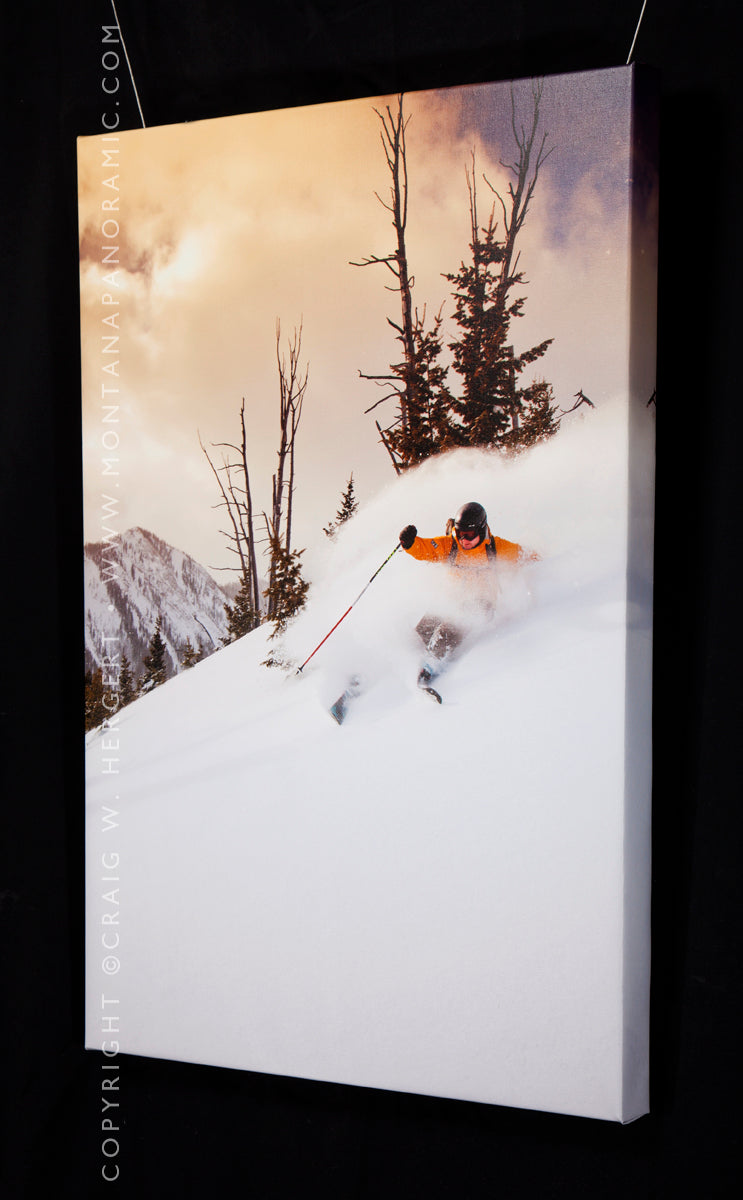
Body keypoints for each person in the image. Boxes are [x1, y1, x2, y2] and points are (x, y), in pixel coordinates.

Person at [398, 501, 537, 683]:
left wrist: (545, 565)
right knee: (424, 629)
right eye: (460, 534)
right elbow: (426, 549)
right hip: (453, 601)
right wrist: (410, 543)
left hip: (482, 604)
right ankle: (403, 659)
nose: (464, 540)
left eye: (469, 535)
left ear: (481, 530)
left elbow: (527, 556)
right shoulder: (451, 545)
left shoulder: (496, 548)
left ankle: (431, 664)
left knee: (452, 626)